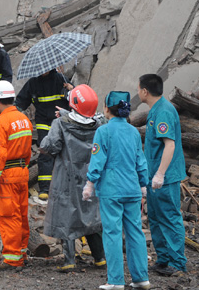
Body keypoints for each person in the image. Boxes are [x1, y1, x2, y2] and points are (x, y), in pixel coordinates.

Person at [84, 91, 150, 290]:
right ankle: (141, 278)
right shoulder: (133, 132)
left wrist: (90, 183)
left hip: (111, 190)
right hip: (132, 188)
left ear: (106, 109)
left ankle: (115, 281)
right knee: (135, 232)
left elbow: (98, 160)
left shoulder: (103, 131)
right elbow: (141, 161)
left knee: (112, 233)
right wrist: (143, 183)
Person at [40, 84, 105, 272]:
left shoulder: (60, 123)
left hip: (67, 177)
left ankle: (69, 260)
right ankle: (100, 258)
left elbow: (48, 146)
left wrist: (63, 118)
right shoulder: (100, 124)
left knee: (66, 214)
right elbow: (86, 118)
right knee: (90, 214)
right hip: (91, 177)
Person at [138, 74, 187, 277]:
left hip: (164, 177)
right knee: (157, 218)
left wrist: (160, 174)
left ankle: (177, 263)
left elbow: (170, 144)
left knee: (170, 217)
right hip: (154, 176)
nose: (138, 91)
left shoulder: (164, 111)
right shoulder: (155, 110)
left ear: (145, 91)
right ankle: (164, 259)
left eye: (138, 88)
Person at [0, 80, 32, 270]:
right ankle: (21, 252)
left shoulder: (0, 122)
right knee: (22, 214)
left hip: (7, 175)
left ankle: (13, 259)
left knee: (9, 217)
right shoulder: (24, 119)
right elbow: (28, 150)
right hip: (22, 173)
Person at [15, 70, 73, 200]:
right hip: (43, 123)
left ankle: (65, 187)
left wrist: (71, 89)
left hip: (60, 123)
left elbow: (75, 99)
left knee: (63, 153)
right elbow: (21, 101)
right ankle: (45, 188)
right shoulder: (33, 82)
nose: (43, 71)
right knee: (45, 153)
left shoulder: (61, 79)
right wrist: (13, 112)